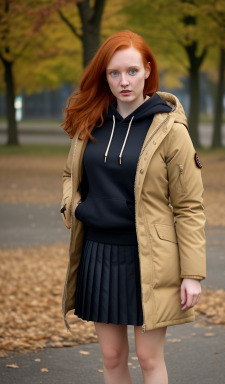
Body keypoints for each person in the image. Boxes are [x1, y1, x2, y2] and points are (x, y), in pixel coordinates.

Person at [60, 30, 206, 384]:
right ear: (104, 76)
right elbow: (70, 174)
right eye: (114, 73)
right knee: (111, 358)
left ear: (147, 70)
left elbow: (189, 206)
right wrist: (74, 207)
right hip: (98, 252)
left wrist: (192, 274)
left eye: (132, 71)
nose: (123, 82)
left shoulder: (171, 129)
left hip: (150, 257)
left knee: (148, 358)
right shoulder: (90, 121)